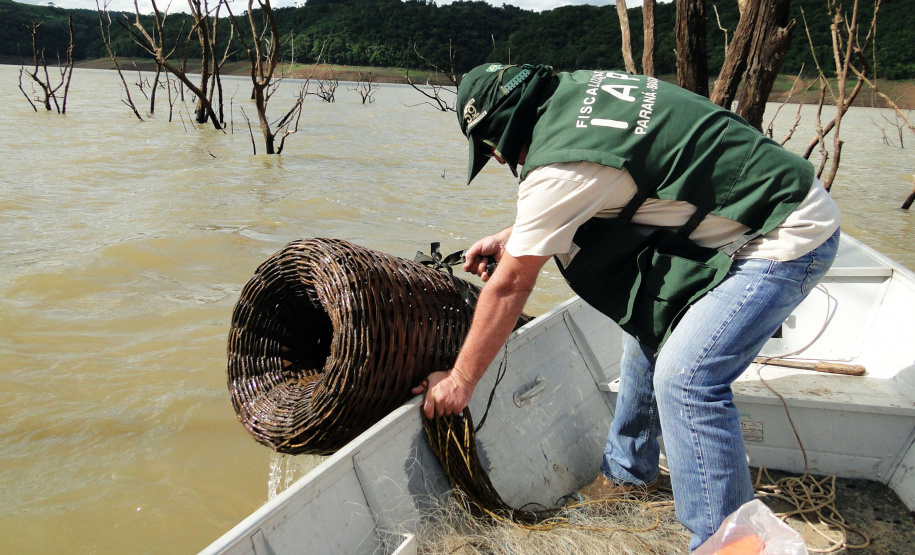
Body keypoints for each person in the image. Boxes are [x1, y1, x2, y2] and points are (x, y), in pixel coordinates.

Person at [411, 63, 840, 551]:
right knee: (646, 328)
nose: (498, 158)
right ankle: (627, 473)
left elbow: (509, 286)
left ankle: (728, 544)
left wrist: (461, 380)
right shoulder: (578, 93)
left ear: (503, 136)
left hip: (786, 232)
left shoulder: (557, 168)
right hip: (759, 207)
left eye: (492, 149)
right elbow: (602, 180)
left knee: (686, 380)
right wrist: (515, 236)